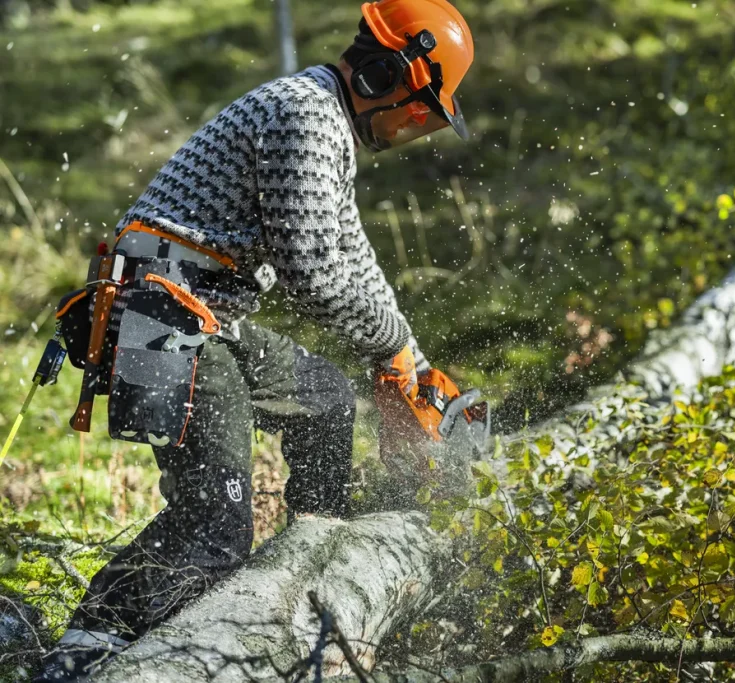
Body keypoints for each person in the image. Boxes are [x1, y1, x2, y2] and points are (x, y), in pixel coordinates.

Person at [34, 0, 474, 679]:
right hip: (160, 317)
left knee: (326, 399)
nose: (411, 129)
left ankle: (315, 563)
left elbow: (351, 255)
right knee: (214, 523)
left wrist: (407, 358)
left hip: (205, 316)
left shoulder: (326, 120)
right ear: (384, 77)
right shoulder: (306, 116)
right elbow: (311, 268)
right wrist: (386, 345)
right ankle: (89, 642)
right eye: (418, 114)